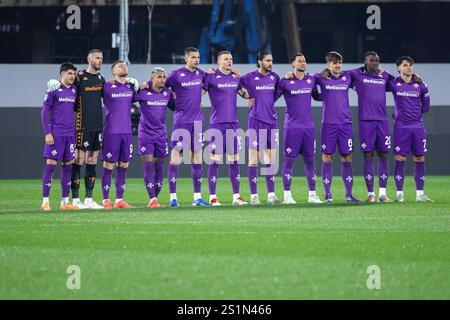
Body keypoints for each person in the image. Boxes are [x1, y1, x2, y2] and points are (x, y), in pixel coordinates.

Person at [203, 50, 250, 205]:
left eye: (231, 59)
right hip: (216, 123)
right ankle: (212, 197)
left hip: (233, 124)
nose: (229, 61)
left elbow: (245, 95)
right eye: (226, 59)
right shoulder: (210, 77)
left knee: (234, 160)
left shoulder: (235, 78)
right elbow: (199, 93)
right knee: (214, 160)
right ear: (218, 61)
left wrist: (241, 78)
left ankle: (236, 196)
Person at [315, 51, 362, 203]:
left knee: (346, 157)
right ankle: (327, 194)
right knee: (327, 157)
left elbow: (365, 68)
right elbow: (307, 82)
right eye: (334, 62)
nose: (337, 65)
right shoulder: (320, 77)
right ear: (328, 64)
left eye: (339, 62)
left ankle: (349, 194)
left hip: (345, 124)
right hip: (328, 124)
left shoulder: (348, 76)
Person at [165, 47, 209, 207]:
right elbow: (162, 84)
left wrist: (197, 98)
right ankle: (173, 198)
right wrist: (172, 97)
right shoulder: (176, 74)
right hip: (181, 121)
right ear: (186, 59)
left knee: (197, 157)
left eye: (198, 57)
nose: (196, 60)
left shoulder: (201, 74)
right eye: (193, 57)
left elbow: (206, 87)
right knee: (176, 158)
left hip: (197, 121)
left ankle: (197, 197)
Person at [276, 53, 322, 204]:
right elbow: (270, 99)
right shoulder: (285, 82)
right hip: (292, 127)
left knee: (310, 161)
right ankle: (287, 195)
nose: (303, 63)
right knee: (289, 161)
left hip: (308, 127)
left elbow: (317, 96)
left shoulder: (312, 80)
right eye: (299, 61)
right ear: (293, 64)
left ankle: (312, 195)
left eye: (304, 60)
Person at [388, 56, 433, 202]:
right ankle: (399, 194)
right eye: (405, 65)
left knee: (419, 157)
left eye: (410, 65)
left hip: (417, 126)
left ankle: (420, 194)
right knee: (400, 158)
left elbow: (426, 107)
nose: (409, 67)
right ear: (399, 68)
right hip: (401, 127)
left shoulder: (420, 85)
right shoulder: (394, 83)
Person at [242, 50, 281, 205]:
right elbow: (235, 86)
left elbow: (277, 93)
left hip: (271, 122)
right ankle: (254, 196)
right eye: (267, 60)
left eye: (271, 60)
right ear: (259, 62)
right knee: (253, 160)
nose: (270, 63)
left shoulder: (275, 77)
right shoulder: (249, 78)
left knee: (270, 160)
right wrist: (246, 97)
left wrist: (269, 106)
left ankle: (271, 195)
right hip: (255, 121)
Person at [41, 63, 79, 211]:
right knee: (51, 166)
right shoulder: (53, 90)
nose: (72, 76)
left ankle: (64, 202)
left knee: (68, 167)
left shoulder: (75, 89)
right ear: (62, 74)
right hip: (56, 134)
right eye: (69, 73)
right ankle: (45, 201)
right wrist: (47, 132)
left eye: (74, 74)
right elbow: (44, 112)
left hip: (70, 134)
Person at [134, 67, 174, 208]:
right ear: (152, 79)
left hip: (161, 134)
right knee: (149, 164)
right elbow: (129, 99)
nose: (162, 79)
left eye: (164, 77)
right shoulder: (143, 92)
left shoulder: (167, 93)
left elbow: (175, 107)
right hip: (146, 134)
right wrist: (137, 87)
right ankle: (152, 199)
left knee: (159, 166)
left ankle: (154, 199)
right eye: (159, 77)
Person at [100, 60, 136, 209]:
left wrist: (142, 86)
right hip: (111, 132)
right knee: (109, 165)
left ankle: (119, 200)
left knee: (124, 165)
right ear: (114, 71)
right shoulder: (106, 86)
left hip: (127, 132)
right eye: (120, 66)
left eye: (125, 65)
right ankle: (106, 200)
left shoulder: (131, 87)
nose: (124, 67)